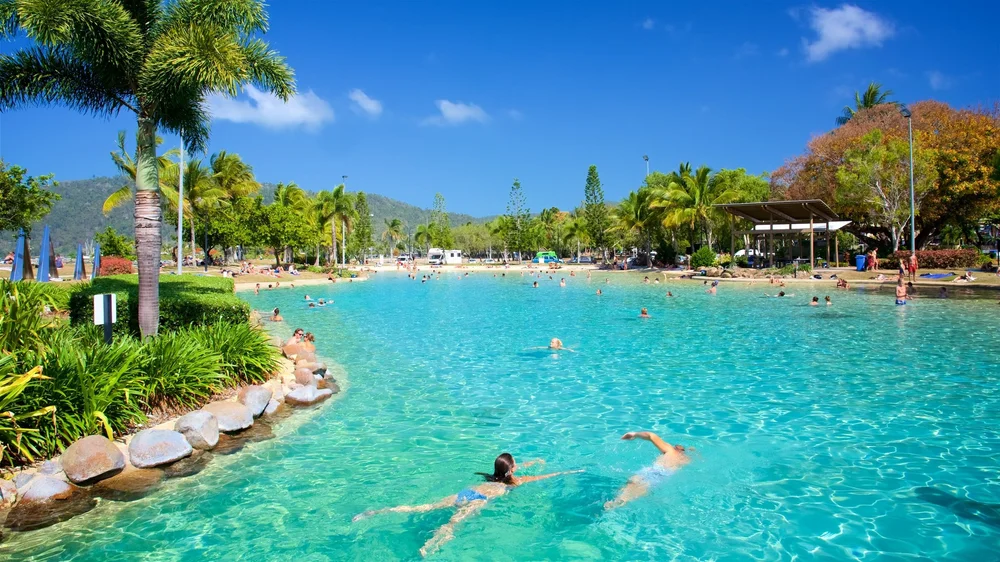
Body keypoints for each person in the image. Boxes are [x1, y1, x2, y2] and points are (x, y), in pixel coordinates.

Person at [354, 454, 581, 557]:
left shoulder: (491, 476)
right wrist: (569, 471)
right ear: (511, 471)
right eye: (516, 466)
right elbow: (545, 477)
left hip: (465, 493)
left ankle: (377, 512)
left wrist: (535, 461)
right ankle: (429, 547)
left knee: (423, 507)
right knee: (453, 525)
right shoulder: (513, 483)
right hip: (478, 501)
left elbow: (511, 467)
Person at [605, 432, 691, 510]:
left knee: (630, 486)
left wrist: (634, 434)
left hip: (650, 471)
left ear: (674, 447)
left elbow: (651, 436)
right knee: (633, 493)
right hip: (660, 477)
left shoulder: (670, 449)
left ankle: (616, 502)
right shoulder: (685, 460)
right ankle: (616, 504)